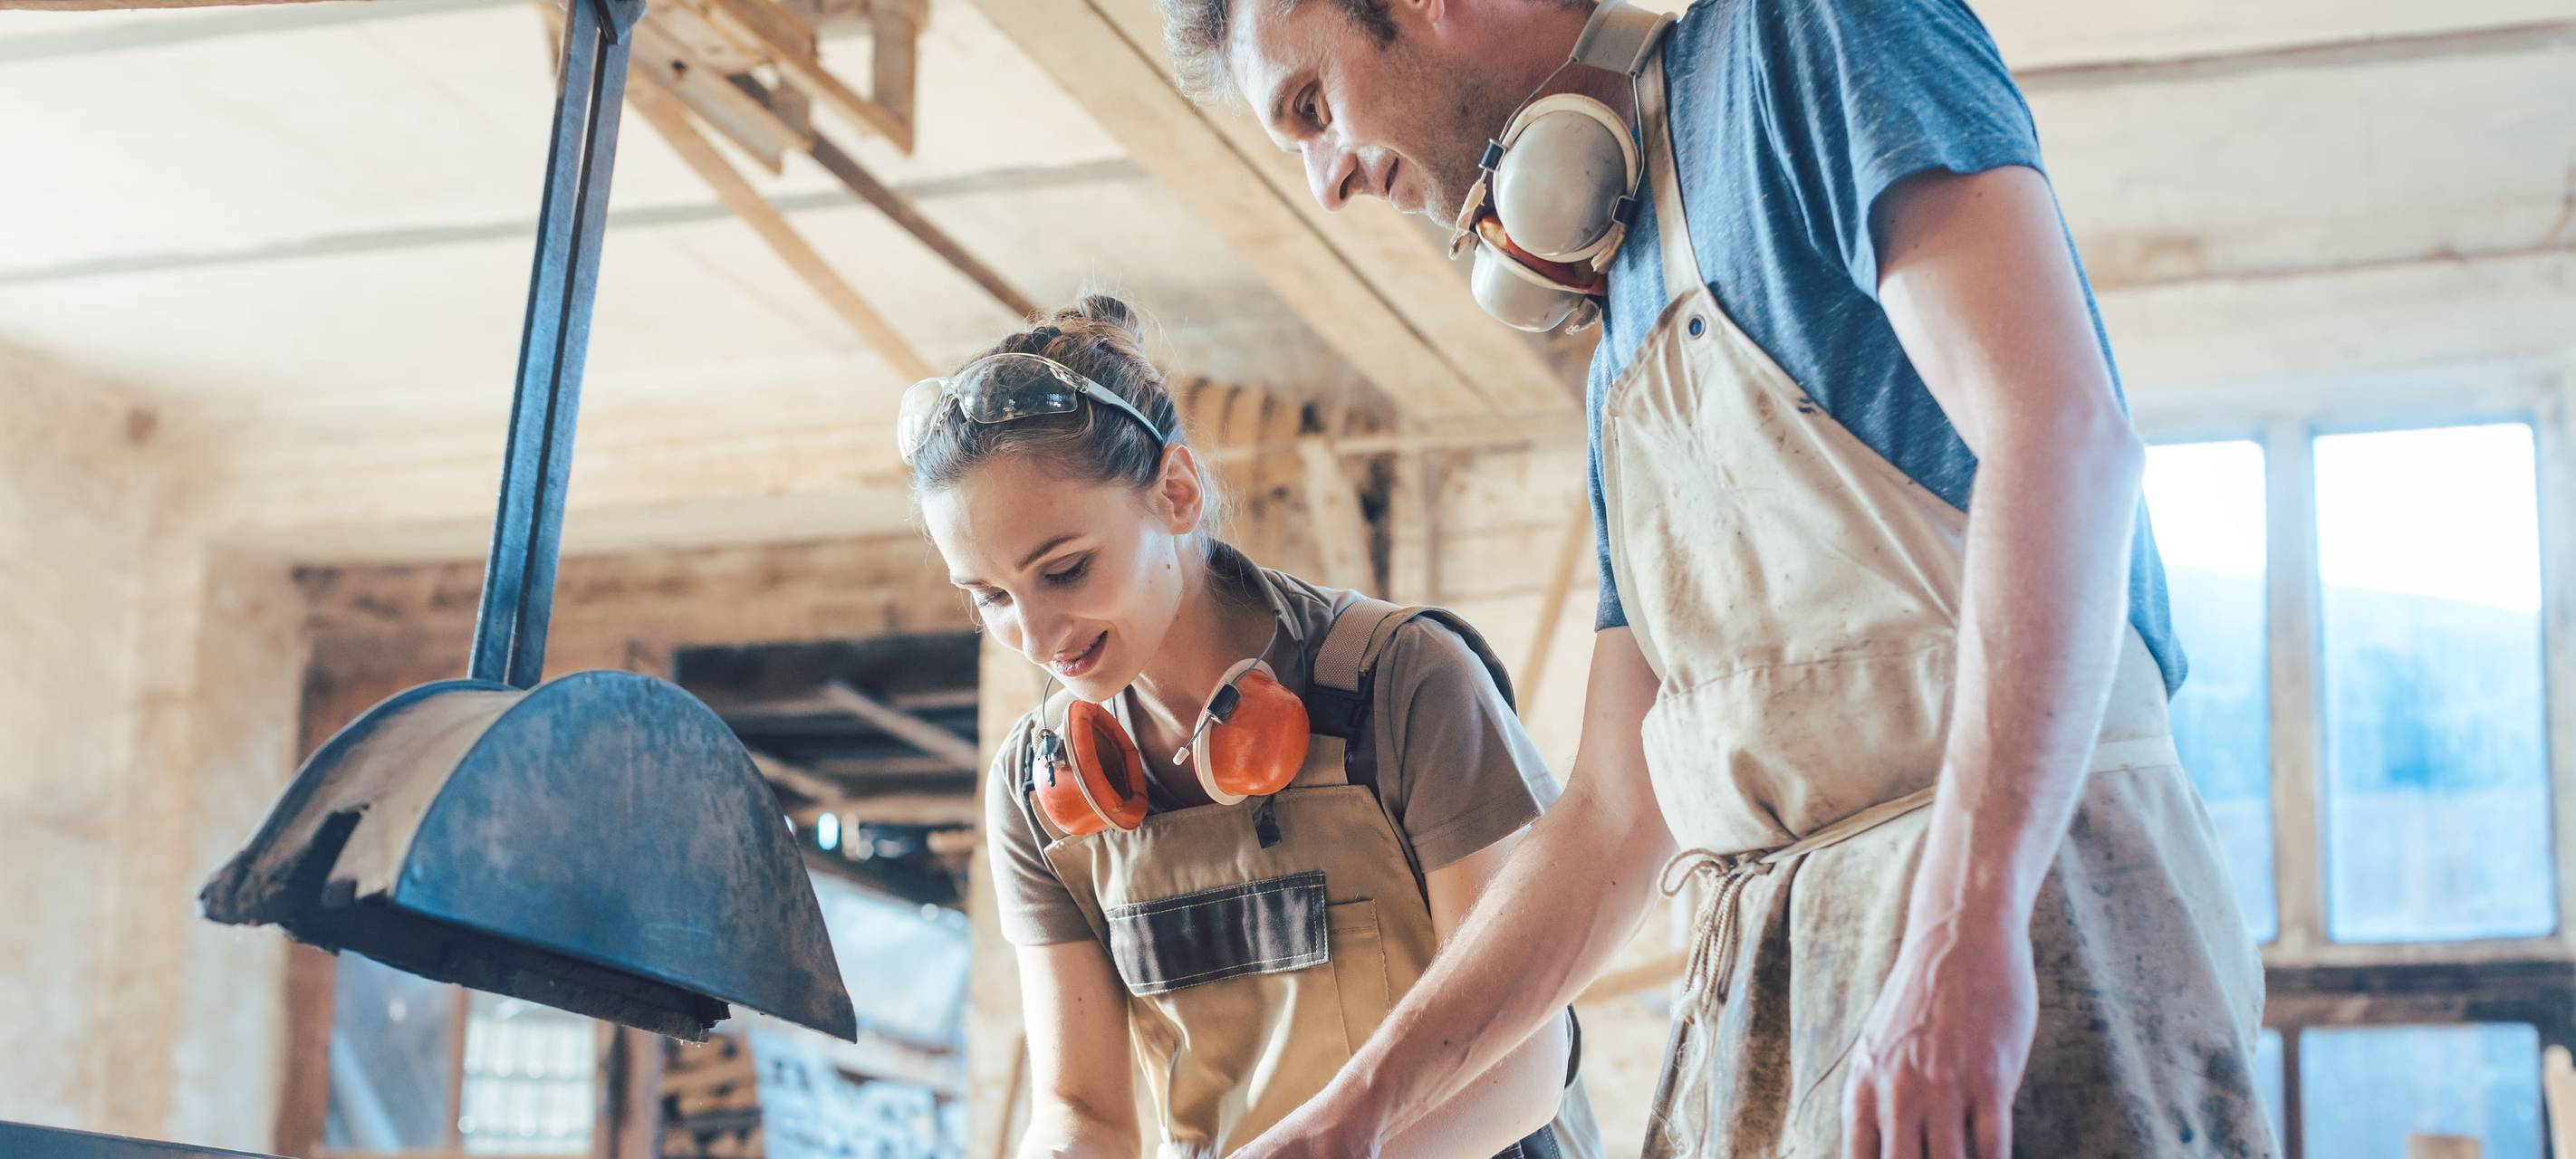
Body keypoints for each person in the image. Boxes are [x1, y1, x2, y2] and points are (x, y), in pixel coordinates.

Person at [1156, 0, 2272, 1154]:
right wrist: (1358, 1111)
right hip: (1776, 985)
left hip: (2021, 914)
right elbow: (1606, 819)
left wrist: (1963, 922)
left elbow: (2063, 438)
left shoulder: (1814, 36)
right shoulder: (1622, 328)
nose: (1325, 182)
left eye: (1312, 107)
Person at [903, 296, 1603, 1158]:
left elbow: (1523, 1066)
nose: (1038, 638)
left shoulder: (1402, 683)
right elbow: (1082, 1111)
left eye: (1067, 569)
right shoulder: (1035, 787)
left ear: (1177, 492)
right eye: (992, 599)